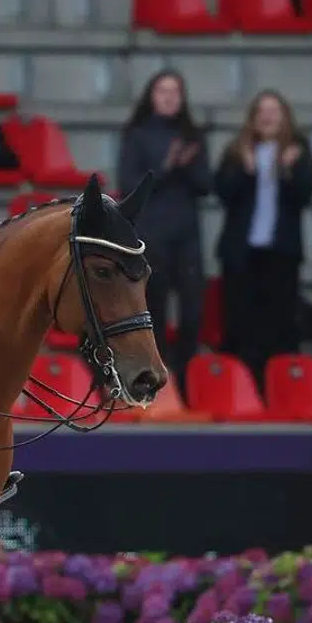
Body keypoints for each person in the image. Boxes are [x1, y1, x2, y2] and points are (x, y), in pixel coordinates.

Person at [213, 89, 312, 383]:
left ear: (285, 117)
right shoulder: (237, 150)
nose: (268, 116)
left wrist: (288, 168)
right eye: (262, 111)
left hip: (281, 254)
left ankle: (281, 389)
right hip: (241, 255)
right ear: (253, 118)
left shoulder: (298, 150)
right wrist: (246, 170)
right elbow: (223, 191)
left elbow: (305, 193)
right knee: (241, 326)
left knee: (281, 326)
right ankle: (244, 389)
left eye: (274, 111)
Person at [116, 69, 212, 389]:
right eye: (163, 91)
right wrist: (166, 167)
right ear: (151, 96)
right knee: (153, 310)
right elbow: (129, 185)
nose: (169, 97)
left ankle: (184, 376)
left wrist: (187, 164)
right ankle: (155, 380)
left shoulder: (192, 136)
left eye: (175, 92)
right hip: (151, 235)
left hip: (187, 236)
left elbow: (205, 185)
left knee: (193, 311)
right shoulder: (137, 134)